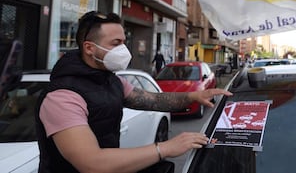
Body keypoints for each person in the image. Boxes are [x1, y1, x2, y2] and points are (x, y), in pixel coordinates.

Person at [35, 11, 232, 173]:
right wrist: (165, 148)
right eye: (115, 43)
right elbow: (92, 163)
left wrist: (193, 96)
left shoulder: (112, 81)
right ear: (89, 48)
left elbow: (154, 100)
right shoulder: (62, 97)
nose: (123, 49)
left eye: (124, 41)